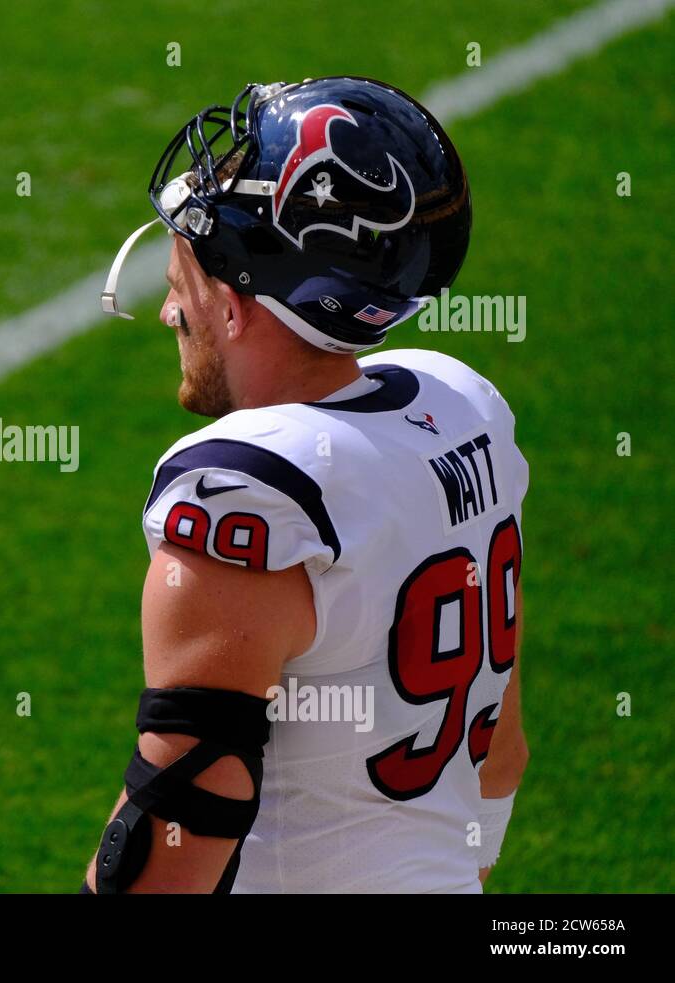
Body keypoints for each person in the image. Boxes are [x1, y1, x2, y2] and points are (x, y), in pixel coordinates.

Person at [84, 76, 529, 893]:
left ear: (240, 292)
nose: (168, 309)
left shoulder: (245, 489)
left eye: (185, 266)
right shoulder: (463, 410)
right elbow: (499, 753)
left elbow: (177, 829)